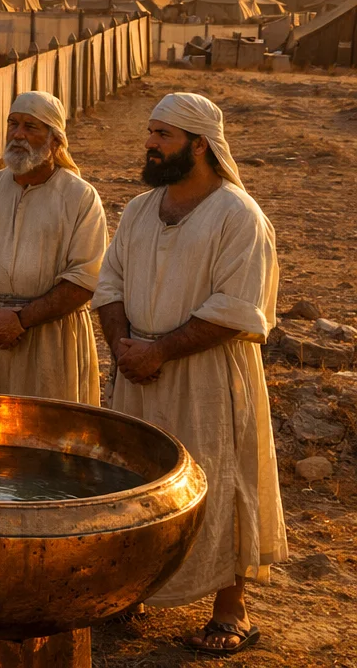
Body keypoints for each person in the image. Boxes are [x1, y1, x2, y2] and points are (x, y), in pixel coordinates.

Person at [94, 92, 286, 655]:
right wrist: (124, 348)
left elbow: (238, 308)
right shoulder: (137, 210)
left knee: (219, 480)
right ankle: (129, 592)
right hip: (138, 371)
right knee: (136, 481)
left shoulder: (237, 216)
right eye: (149, 133)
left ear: (200, 145)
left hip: (207, 375)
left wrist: (161, 352)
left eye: (163, 135)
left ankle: (231, 610)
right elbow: (110, 285)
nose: (149, 144)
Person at [0, 91, 107, 404]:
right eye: (13, 124)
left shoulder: (80, 198)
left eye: (31, 127)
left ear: (55, 141)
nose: (18, 135)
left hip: (49, 340)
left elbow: (86, 278)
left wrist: (21, 320)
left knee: (48, 438)